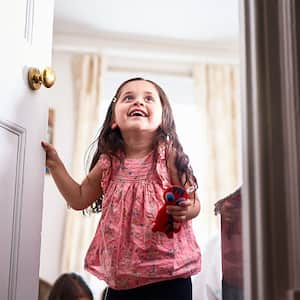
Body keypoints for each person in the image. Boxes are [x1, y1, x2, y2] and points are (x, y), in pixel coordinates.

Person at [42, 77, 202, 300]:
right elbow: (79, 198)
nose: (138, 102)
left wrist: (187, 209)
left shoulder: (169, 156)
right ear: (114, 121)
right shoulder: (109, 162)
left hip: (169, 276)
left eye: (148, 98)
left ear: (163, 118)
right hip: (122, 281)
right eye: (129, 98)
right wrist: (55, 164)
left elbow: (194, 202)